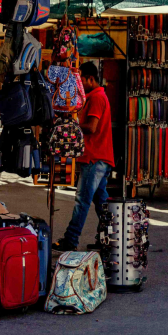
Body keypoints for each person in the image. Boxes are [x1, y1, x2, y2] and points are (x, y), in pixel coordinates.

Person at [53, 62, 115, 251]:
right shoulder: (96, 96)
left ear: (90, 79)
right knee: (101, 203)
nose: (81, 84)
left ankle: (71, 240)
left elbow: (92, 127)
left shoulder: (96, 97)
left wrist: (71, 126)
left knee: (82, 201)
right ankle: (109, 238)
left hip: (94, 158)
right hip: (99, 158)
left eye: (82, 80)